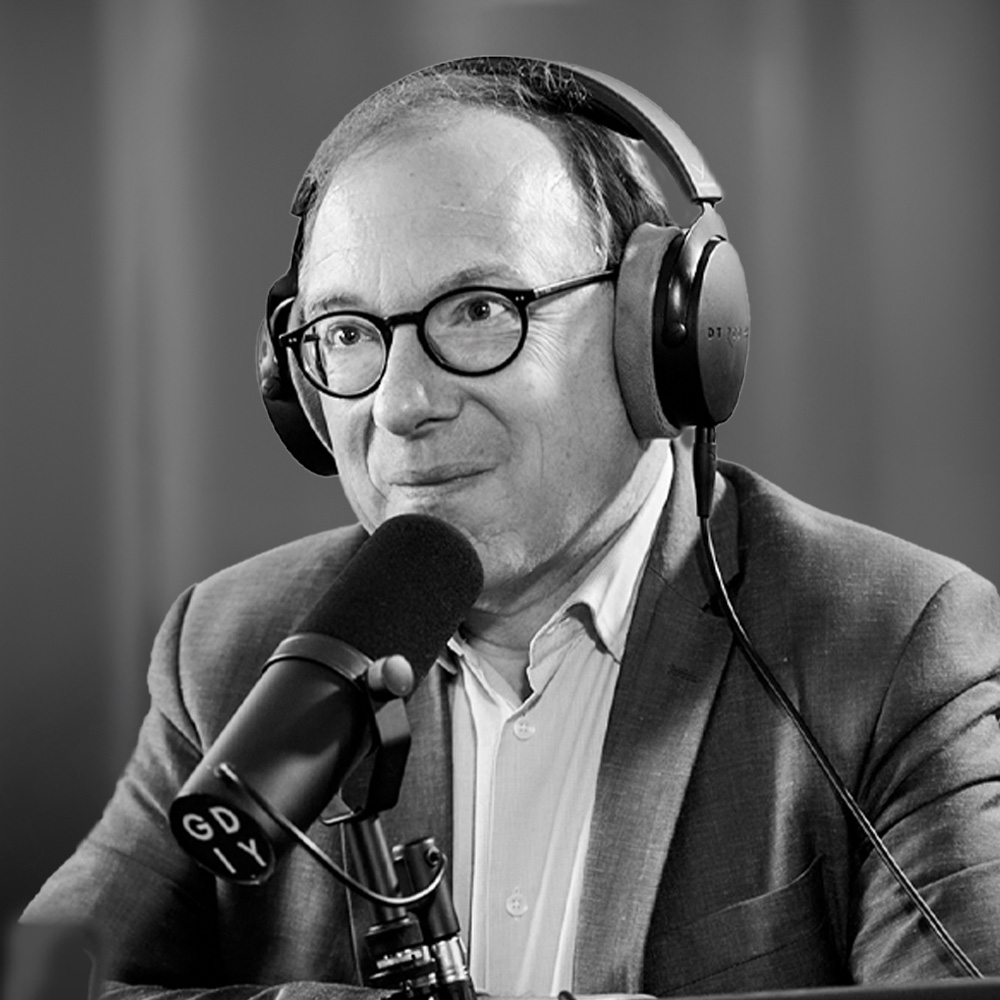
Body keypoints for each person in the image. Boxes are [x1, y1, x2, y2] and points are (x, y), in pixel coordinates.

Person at [22, 56, 1000, 998]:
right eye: (349, 333)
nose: (402, 404)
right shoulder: (231, 645)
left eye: (479, 310)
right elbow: (42, 980)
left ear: (658, 334)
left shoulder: (891, 646)